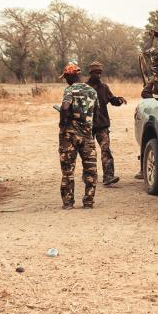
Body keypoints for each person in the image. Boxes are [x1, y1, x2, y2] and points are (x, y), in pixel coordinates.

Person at [58, 63, 98, 209]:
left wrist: (62, 124)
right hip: (87, 136)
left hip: (69, 136)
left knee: (68, 170)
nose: (65, 81)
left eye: (66, 77)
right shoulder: (92, 91)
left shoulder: (69, 90)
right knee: (91, 170)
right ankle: (88, 201)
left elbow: (65, 107)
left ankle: (68, 203)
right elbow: (96, 113)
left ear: (70, 76)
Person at [86, 61, 127, 186]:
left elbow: (112, 100)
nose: (98, 75)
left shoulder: (104, 87)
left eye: (100, 73)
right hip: (87, 125)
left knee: (106, 150)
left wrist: (119, 100)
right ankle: (89, 177)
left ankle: (108, 176)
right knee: (88, 153)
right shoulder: (84, 88)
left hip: (102, 125)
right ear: (90, 73)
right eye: (96, 73)